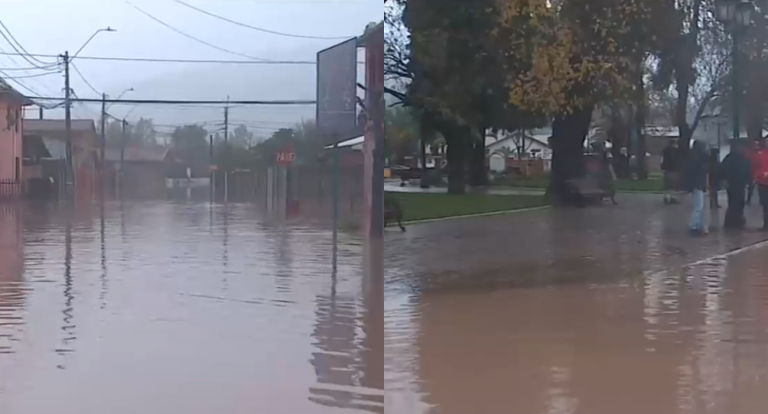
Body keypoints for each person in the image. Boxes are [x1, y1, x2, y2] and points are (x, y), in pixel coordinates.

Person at [721, 142, 752, 229]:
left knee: (740, 202)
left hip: (740, 183)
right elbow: (724, 169)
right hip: (733, 183)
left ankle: (738, 218)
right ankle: (731, 221)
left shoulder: (743, 158)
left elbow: (747, 169)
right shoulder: (730, 158)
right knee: (734, 202)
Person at [684, 140, 710, 235]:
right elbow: (698, 173)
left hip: (696, 184)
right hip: (697, 184)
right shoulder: (697, 159)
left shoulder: (693, 157)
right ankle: (694, 225)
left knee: (699, 206)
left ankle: (697, 224)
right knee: (699, 206)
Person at [751, 138, 768, 230]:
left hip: (763, 182)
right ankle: (766, 224)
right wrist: (757, 176)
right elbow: (755, 168)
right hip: (762, 183)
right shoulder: (759, 155)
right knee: (765, 205)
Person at [661, 139, 680, 204]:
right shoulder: (674, 151)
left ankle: (665, 197)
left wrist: (663, 167)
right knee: (672, 185)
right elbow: (674, 160)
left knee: (667, 185)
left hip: (667, 169)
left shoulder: (665, 151)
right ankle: (672, 197)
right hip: (672, 169)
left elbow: (663, 160)